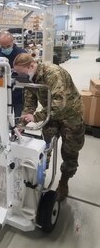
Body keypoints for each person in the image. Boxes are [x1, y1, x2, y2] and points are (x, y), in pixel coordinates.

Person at [13, 54, 85, 201]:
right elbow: (29, 103)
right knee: (44, 146)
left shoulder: (53, 73)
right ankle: (40, 177)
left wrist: (37, 117)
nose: (20, 76)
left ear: (31, 66)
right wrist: (21, 124)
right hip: (51, 114)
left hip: (70, 115)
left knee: (69, 151)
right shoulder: (30, 78)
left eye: (21, 72)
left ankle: (64, 182)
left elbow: (60, 103)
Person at [0, 31, 28, 120]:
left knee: (19, 121)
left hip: (19, 94)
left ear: (13, 41)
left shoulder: (22, 54)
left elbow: (28, 74)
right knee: (3, 121)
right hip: (2, 94)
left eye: (8, 46)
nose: (5, 49)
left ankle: (18, 132)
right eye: (2, 47)